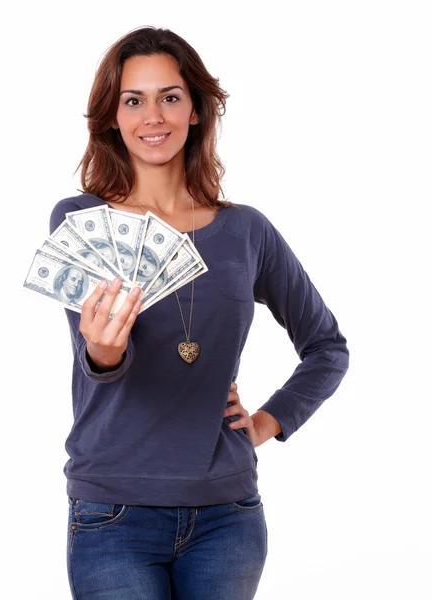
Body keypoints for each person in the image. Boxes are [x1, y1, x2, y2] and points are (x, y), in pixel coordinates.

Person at [48, 26, 349, 600]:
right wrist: (103, 353)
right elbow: (95, 360)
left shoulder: (246, 230)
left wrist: (268, 421)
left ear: (195, 110)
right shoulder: (81, 221)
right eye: (133, 100)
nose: (153, 116)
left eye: (170, 96)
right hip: (113, 512)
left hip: (227, 515)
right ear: (113, 116)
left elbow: (327, 347)